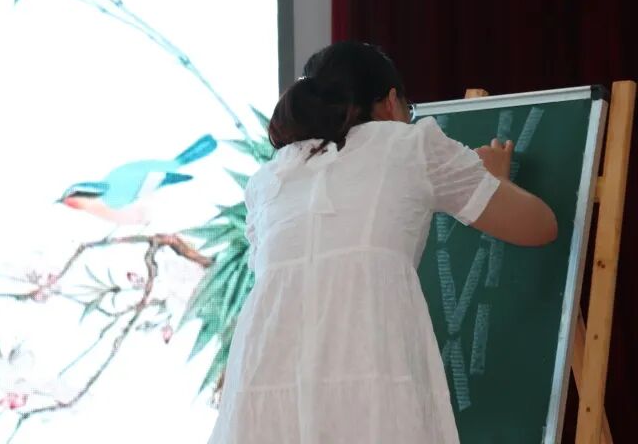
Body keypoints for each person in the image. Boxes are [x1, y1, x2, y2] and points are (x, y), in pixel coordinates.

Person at [207, 41, 557, 444]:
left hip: (264, 388)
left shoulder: (269, 178)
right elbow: (539, 226)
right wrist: (495, 180)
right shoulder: (409, 145)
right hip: (367, 375)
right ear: (392, 103)